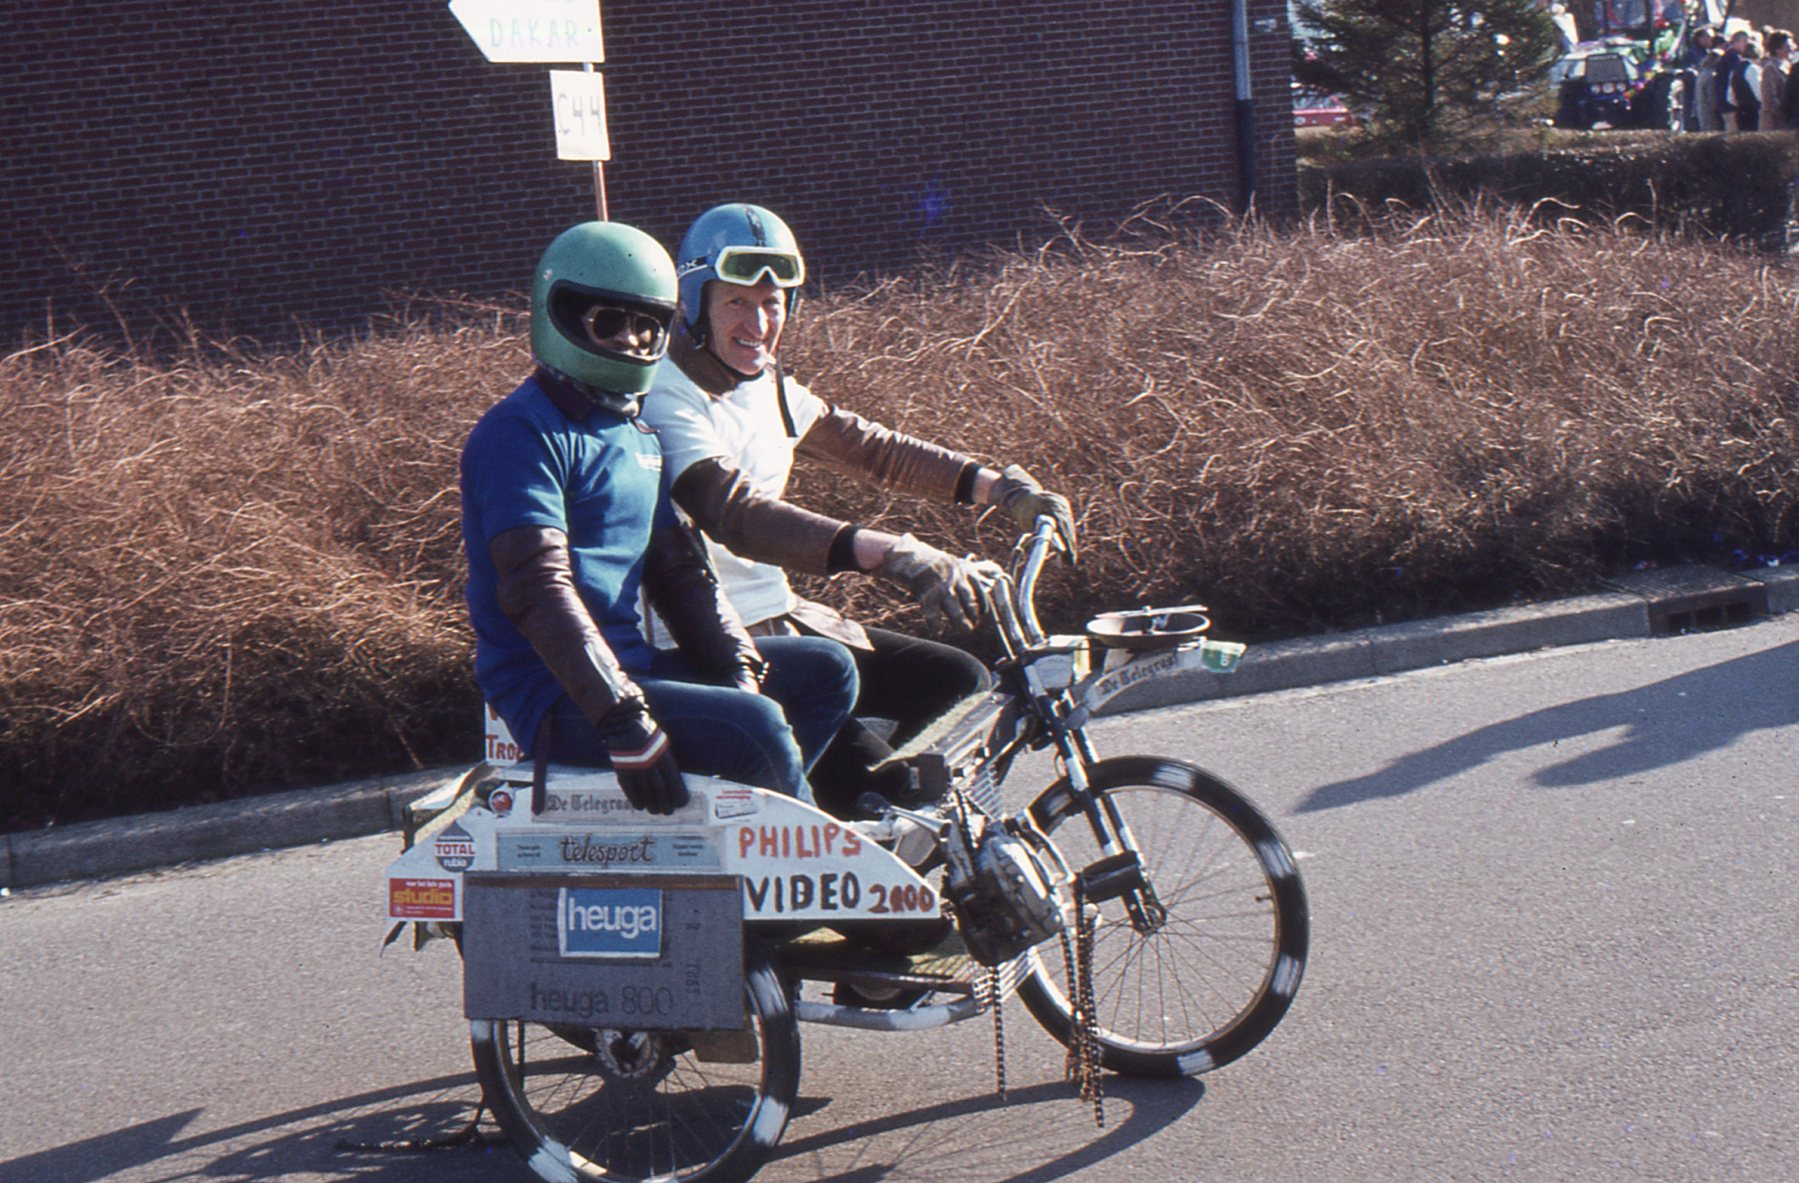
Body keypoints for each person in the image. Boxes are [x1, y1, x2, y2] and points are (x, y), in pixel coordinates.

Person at [639, 203, 1078, 819]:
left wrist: (1000, 487)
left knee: (959, 684)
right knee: (885, 800)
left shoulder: (765, 385)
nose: (758, 323)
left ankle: (867, 806)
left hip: (780, 620)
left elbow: (872, 449)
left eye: (773, 303)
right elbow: (736, 515)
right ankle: (831, 817)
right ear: (693, 300)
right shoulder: (665, 396)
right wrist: (890, 552)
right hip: (712, 646)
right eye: (736, 301)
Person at [460, 220, 858, 814]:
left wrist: (737, 669)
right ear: (561, 314)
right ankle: (796, 861)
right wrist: (622, 718)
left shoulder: (634, 434)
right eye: (608, 322)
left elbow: (679, 572)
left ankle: (744, 823)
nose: (629, 340)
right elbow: (536, 587)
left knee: (827, 669)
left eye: (646, 326)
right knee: (757, 728)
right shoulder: (519, 432)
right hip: (556, 694)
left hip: (631, 673)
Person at [1760, 29, 1792, 131]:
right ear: (1777, 49)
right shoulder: (1770, 68)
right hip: (1774, 123)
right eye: (1787, 46)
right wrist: (1785, 115)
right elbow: (1770, 98)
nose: (1790, 49)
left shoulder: (1787, 66)